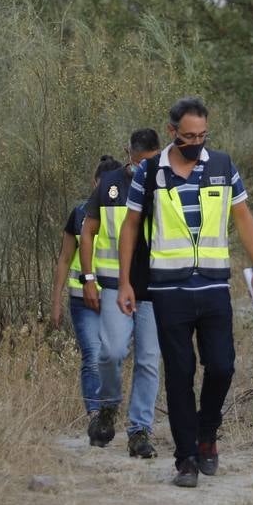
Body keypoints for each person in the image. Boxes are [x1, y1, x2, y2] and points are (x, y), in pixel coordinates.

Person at [117, 97, 253, 488]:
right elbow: (131, 226)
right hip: (168, 290)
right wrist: (125, 281)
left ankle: (207, 432)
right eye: (188, 136)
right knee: (180, 374)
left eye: (202, 135)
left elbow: (243, 215)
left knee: (222, 366)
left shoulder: (222, 165)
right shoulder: (150, 172)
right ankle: (186, 459)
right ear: (172, 133)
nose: (196, 142)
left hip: (215, 286)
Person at [79, 128, 163, 459]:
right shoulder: (110, 183)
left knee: (147, 360)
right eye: (139, 161)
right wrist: (88, 278)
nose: (144, 168)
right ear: (128, 154)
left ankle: (139, 430)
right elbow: (88, 232)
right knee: (111, 352)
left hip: (154, 288)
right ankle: (108, 406)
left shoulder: (166, 183)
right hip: (114, 286)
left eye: (151, 162)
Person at [50, 154, 124, 445]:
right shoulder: (79, 213)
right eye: (101, 184)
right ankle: (96, 417)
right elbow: (65, 259)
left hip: (115, 299)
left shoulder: (127, 213)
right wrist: (55, 302)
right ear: (95, 183)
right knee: (92, 355)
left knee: (111, 357)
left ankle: (108, 410)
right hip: (82, 300)